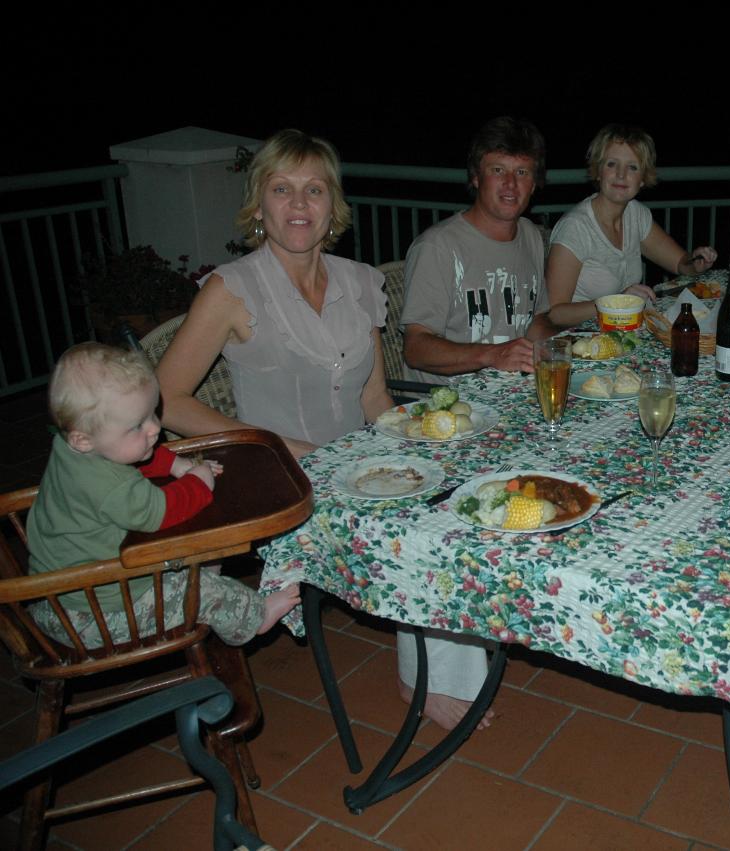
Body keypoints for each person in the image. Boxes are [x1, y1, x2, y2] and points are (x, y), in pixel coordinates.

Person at [155, 129, 487, 731]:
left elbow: (374, 396)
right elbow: (168, 399)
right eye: (282, 189)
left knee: (454, 488)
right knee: (415, 526)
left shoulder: (360, 282)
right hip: (271, 474)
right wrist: (273, 445)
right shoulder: (233, 288)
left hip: (354, 463)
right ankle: (430, 681)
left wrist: (417, 437)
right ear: (259, 205)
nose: (299, 204)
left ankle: (446, 667)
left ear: (333, 205)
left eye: (314, 189)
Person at [27, 343, 299, 648]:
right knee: (201, 593)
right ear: (83, 439)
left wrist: (177, 464)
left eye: (152, 414)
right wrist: (198, 480)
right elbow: (161, 511)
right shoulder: (105, 484)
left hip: (62, 593)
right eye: (137, 426)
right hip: (95, 614)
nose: (154, 429)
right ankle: (254, 616)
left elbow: (137, 456)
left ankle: (204, 567)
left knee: (187, 561)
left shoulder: (77, 448)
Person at [399, 116, 557, 385]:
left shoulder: (531, 235)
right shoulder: (438, 247)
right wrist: (493, 354)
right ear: (476, 177)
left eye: (522, 172)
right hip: (447, 407)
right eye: (498, 170)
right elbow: (415, 349)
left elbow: (535, 320)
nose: (510, 183)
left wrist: (568, 346)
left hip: (512, 392)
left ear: (533, 184)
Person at [546, 124, 716, 328]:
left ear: (643, 179)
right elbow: (554, 314)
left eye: (632, 167)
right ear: (598, 171)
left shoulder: (636, 214)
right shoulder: (574, 228)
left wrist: (695, 262)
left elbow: (680, 263)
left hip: (622, 333)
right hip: (579, 340)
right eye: (611, 164)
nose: (620, 174)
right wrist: (616, 302)